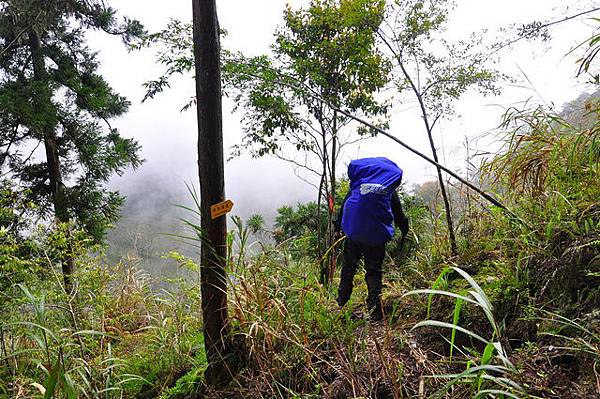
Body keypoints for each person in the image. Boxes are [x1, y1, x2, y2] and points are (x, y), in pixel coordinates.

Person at [334, 157, 409, 321]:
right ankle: (375, 310)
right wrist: (404, 228)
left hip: (354, 229)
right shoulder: (388, 187)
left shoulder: (358, 183)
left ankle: (341, 303)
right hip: (376, 231)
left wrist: (338, 226)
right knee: (373, 270)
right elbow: (398, 213)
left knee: (349, 266)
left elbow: (346, 205)